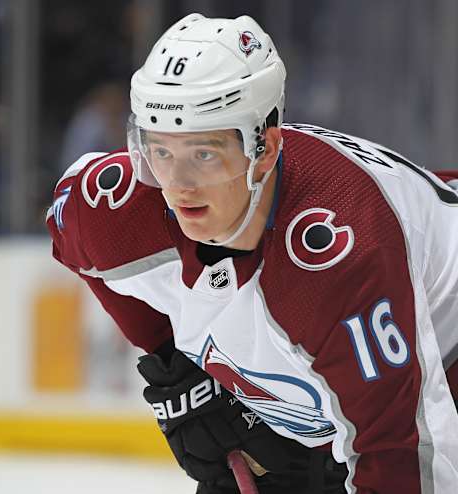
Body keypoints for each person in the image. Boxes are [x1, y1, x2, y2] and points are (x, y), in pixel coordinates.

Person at [47, 13, 458, 494]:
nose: (178, 185)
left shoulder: (339, 255)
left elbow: (401, 456)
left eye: (204, 154)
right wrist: (176, 371)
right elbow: (73, 236)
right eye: (160, 151)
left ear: (265, 148)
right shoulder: (118, 208)